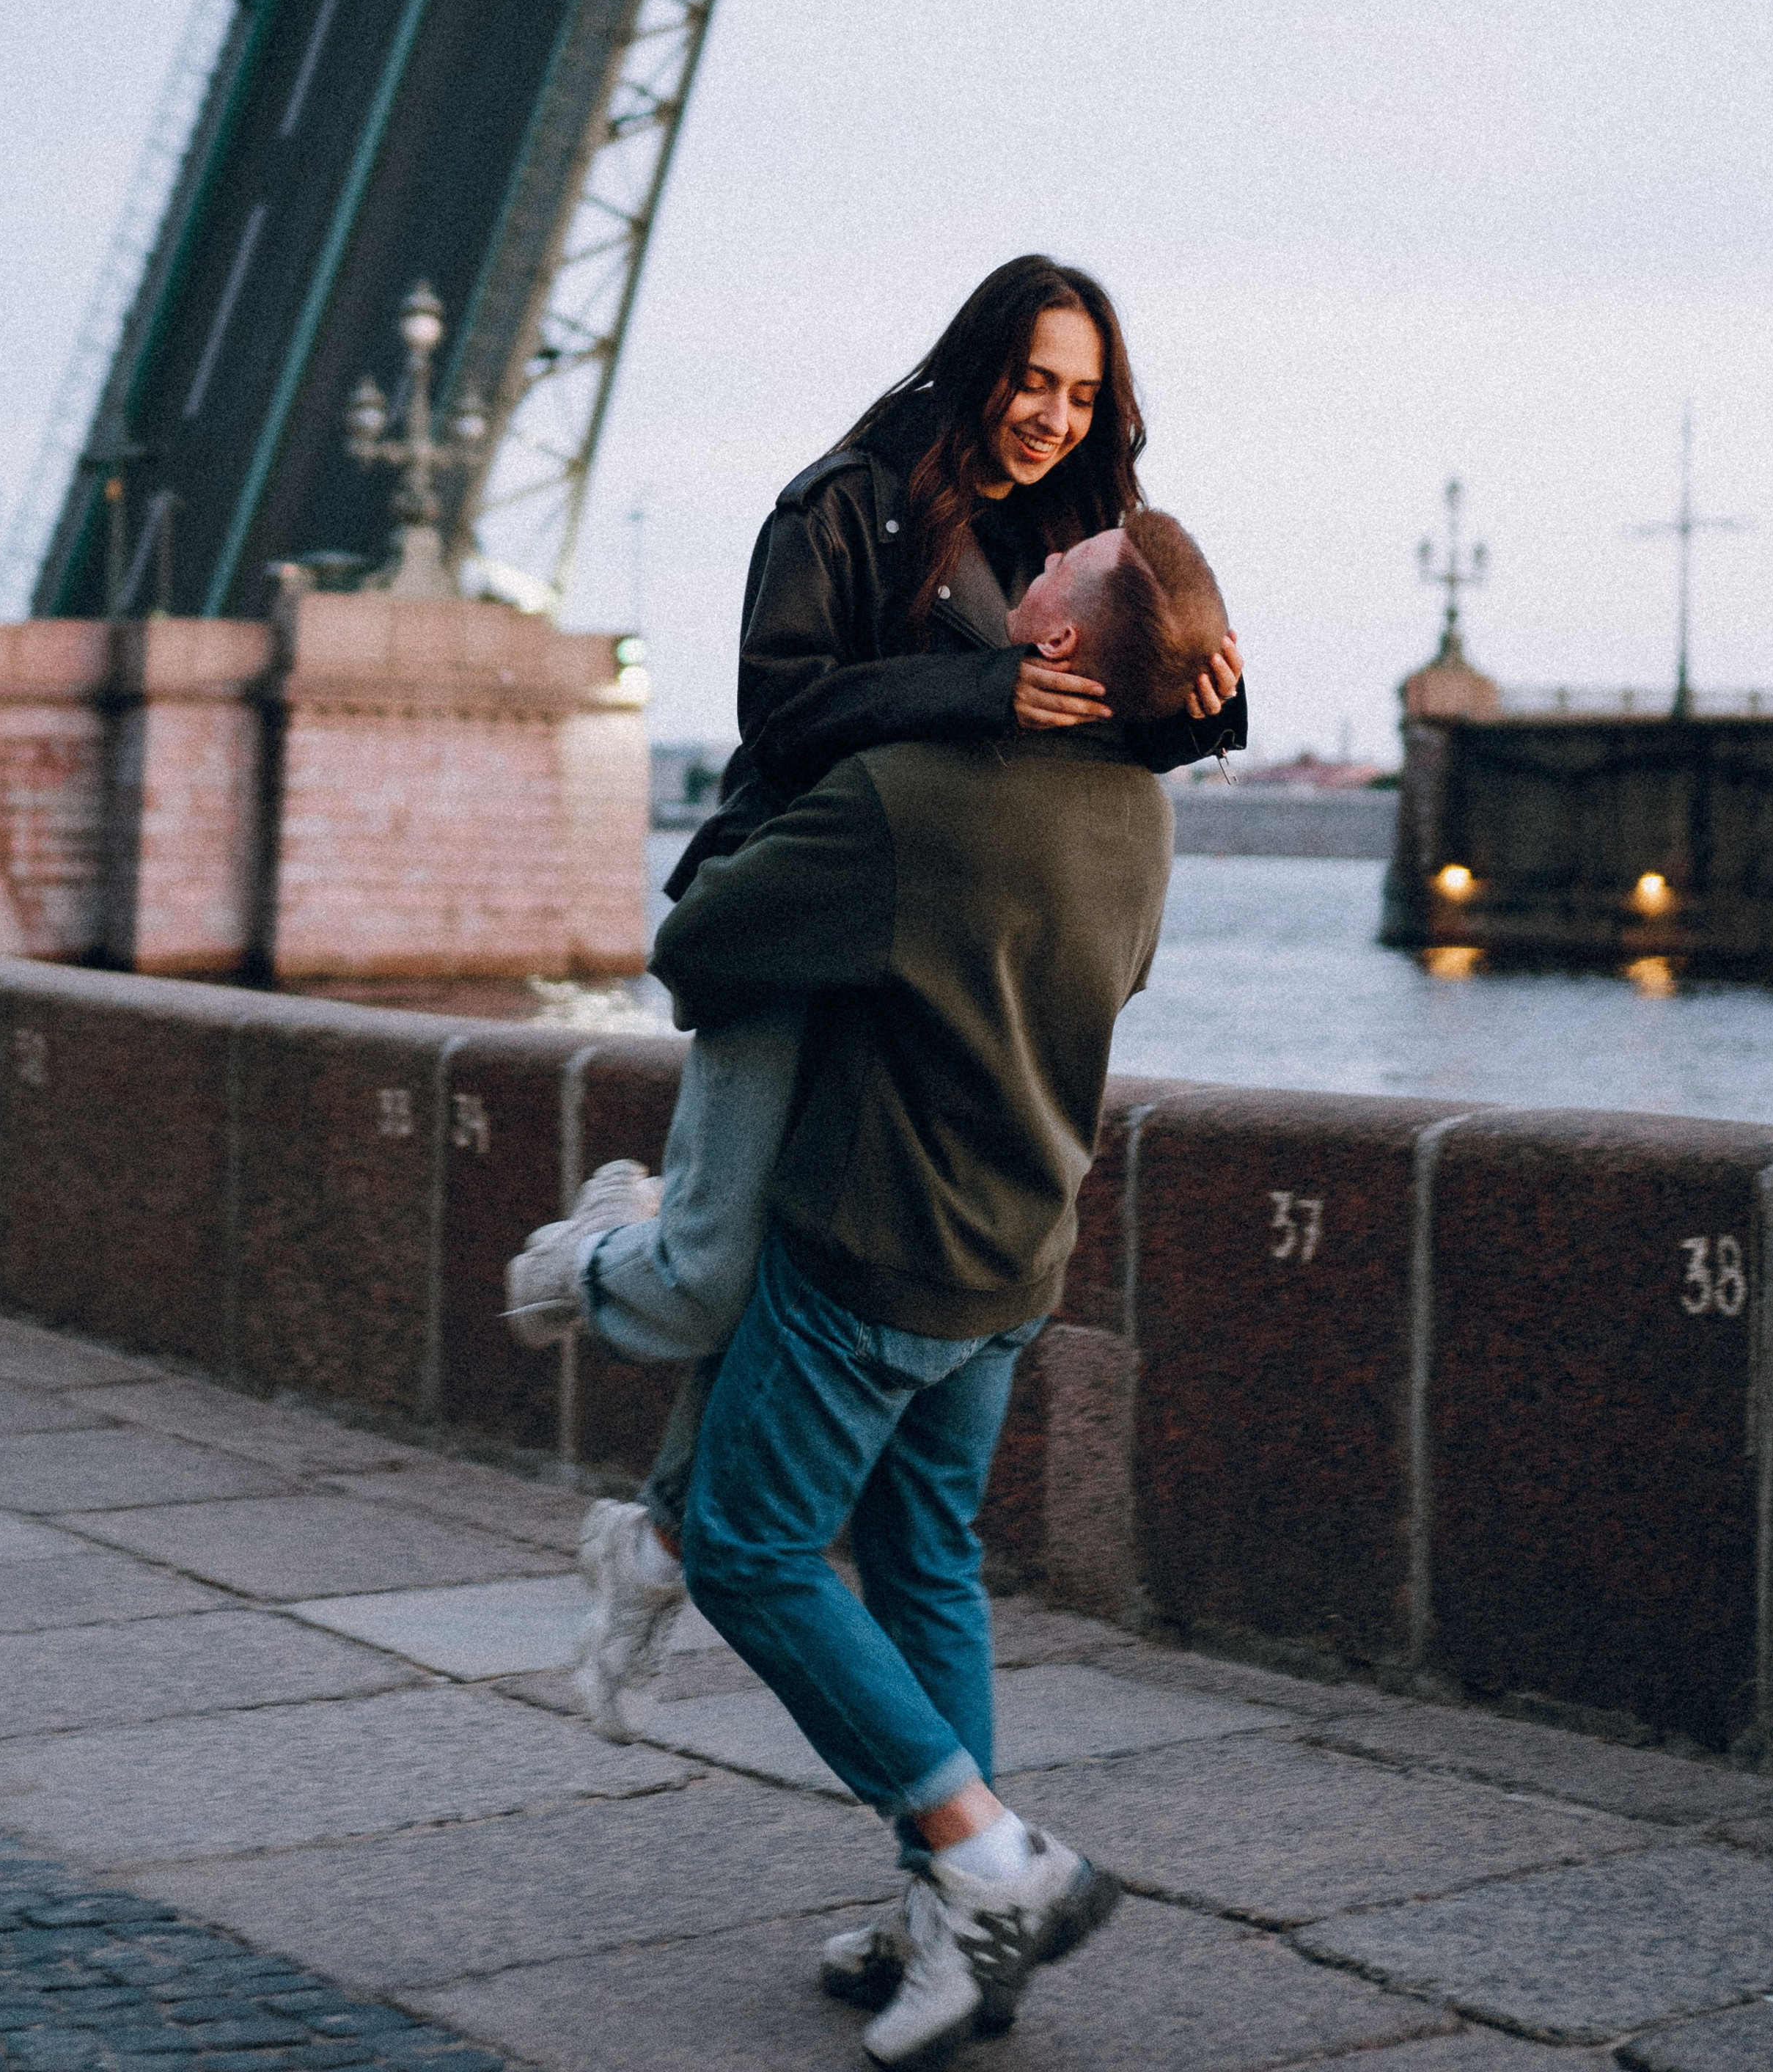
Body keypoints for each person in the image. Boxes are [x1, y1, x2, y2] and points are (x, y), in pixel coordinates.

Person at [505, 257, 1243, 1721]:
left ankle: (655, 1540)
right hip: (799, 897)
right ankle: (587, 1260)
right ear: (975, 362)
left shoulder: (1071, 525)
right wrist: (970, 693)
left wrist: (1212, 698)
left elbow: (1093, 741)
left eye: (1081, 393)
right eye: (1032, 379)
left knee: (805, 1270)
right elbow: (780, 713)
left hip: (926, 953)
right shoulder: (838, 501)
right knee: (713, 1268)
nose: (1050, 415)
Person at [650, 514, 1226, 2065]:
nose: (1024, 566)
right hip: (1020, 1245)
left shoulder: (912, 801)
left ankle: (979, 1850)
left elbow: (697, 945)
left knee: (747, 1551)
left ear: (1052, 644)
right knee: (922, 1562)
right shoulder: (1138, 813)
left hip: (873, 1249)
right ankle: (952, 1928)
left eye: (1055, 568)